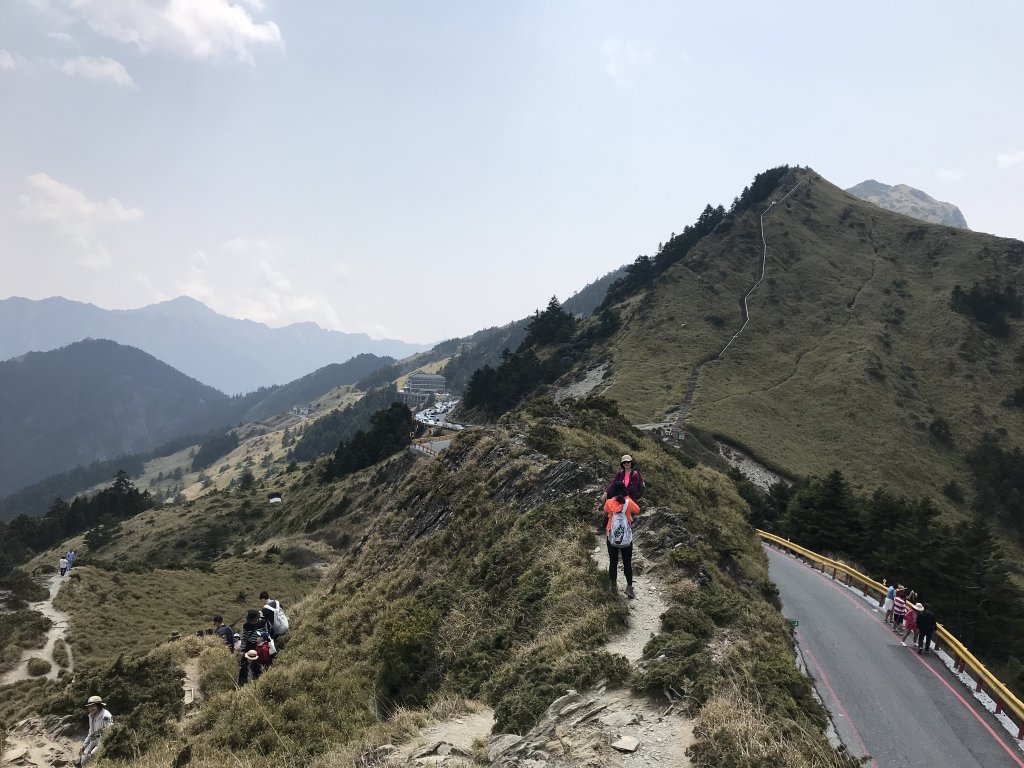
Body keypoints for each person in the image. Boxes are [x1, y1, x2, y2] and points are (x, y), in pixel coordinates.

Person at [602, 481, 640, 599]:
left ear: (613, 491)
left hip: (611, 536)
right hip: (626, 538)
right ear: (624, 491)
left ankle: (613, 587)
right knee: (627, 563)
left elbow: (605, 511)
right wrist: (627, 497)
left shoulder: (609, 502)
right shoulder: (628, 503)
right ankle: (629, 587)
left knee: (613, 562)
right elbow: (637, 510)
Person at [81, 695, 113, 766]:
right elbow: (91, 732)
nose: (91, 708)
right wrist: (84, 745)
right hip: (94, 741)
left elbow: (108, 733)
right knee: (83, 761)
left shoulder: (106, 716)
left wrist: (94, 752)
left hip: (103, 743)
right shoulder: (91, 716)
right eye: (89, 706)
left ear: (99, 706)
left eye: (93, 706)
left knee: (92, 759)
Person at [238, 610, 264, 686]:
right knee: (244, 664)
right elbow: (244, 638)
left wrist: (261, 644)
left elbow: (265, 634)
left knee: (257, 663)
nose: (251, 622)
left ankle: (257, 680)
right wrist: (242, 650)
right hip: (249, 646)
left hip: (259, 645)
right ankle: (242, 682)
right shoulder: (246, 625)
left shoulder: (262, 623)